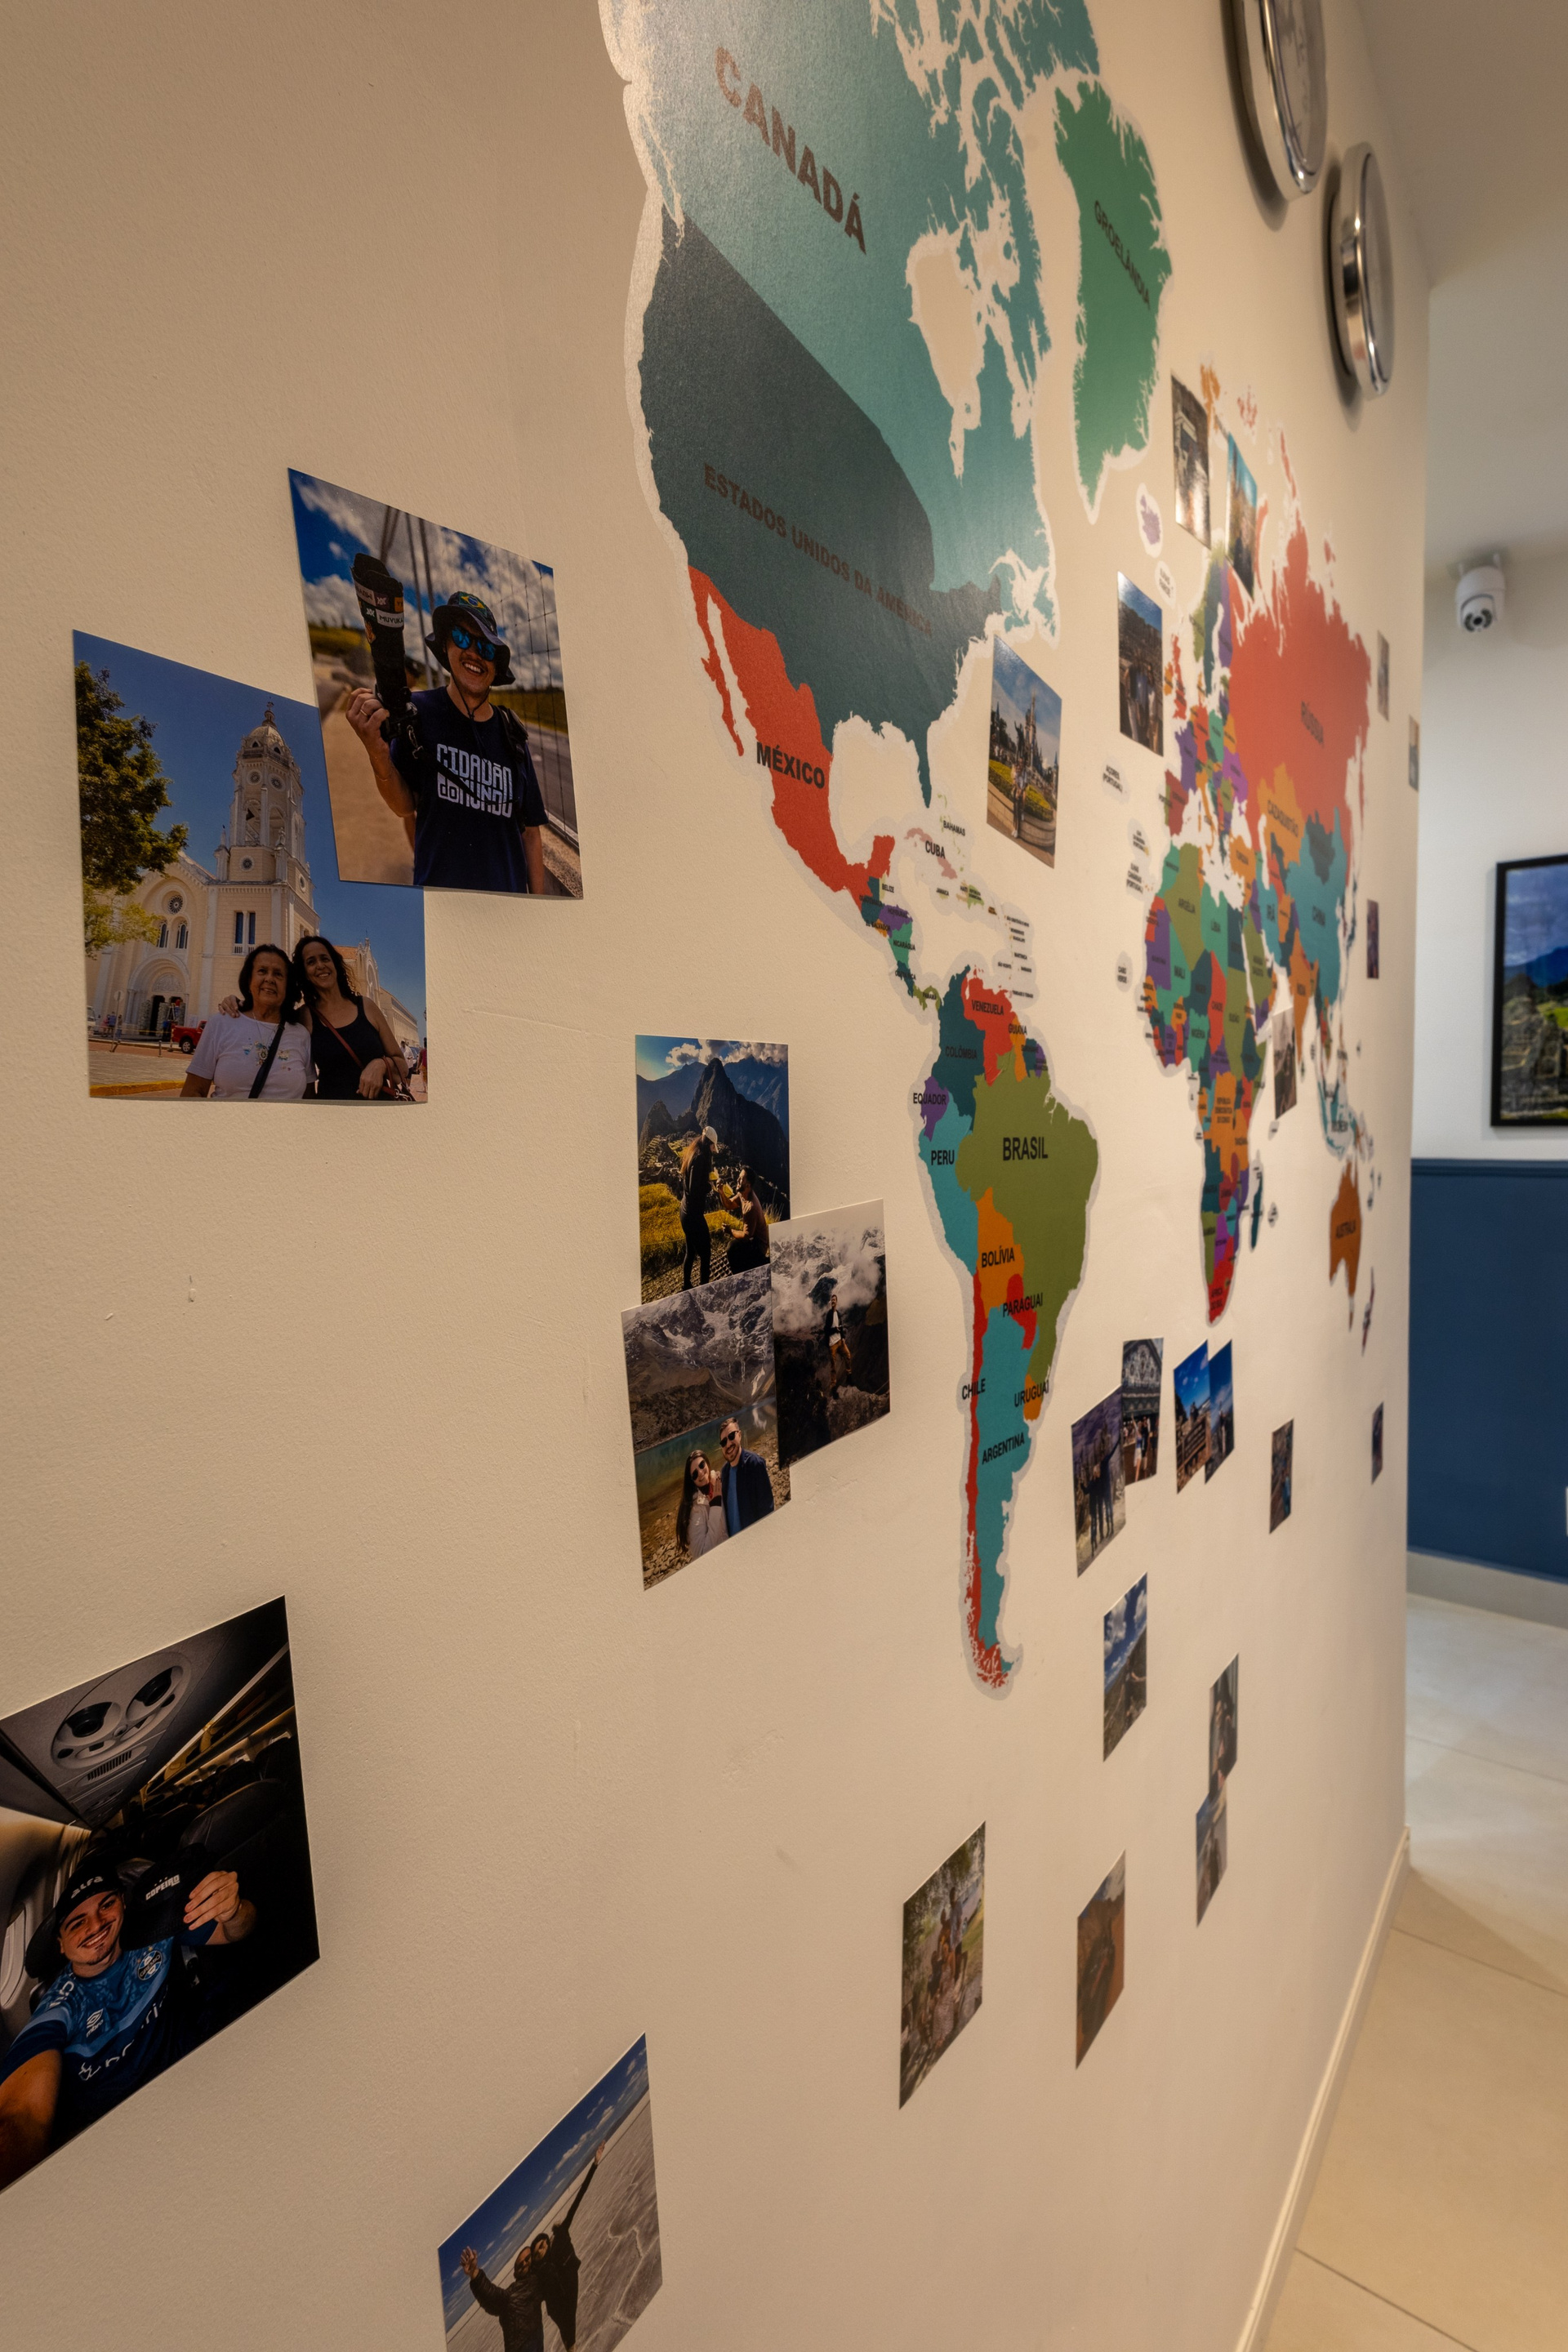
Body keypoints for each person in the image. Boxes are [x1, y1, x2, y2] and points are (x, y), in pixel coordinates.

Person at [0, 1860, 256, 2189]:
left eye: (106, 1905)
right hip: (123, 2144)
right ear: (61, 1944)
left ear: (123, 1902)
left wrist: (233, 1911)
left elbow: (237, 1931)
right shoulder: (58, 2009)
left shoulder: (154, 1931)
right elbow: (21, 2114)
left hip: (197, 2080)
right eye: (77, 1923)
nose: (96, 1925)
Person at [344, 590, 548, 895]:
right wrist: (378, 755)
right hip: (440, 901)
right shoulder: (417, 712)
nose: (474, 653)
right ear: (445, 645)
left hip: (507, 906)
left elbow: (531, 833)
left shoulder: (512, 734)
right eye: (462, 638)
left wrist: (540, 907)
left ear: (496, 665)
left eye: (486, 647)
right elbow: (404, 806)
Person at [180, 944, 312, 1100]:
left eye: (278, 974)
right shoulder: (220, 1024)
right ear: (249, 980)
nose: (270, 979)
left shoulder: (301, 1034)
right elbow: (193, 1092)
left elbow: (309, 1099)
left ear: (287, 986)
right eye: (262, 971)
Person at [291, 933, 409, 1102]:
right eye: (311, 962)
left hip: (380, 1113)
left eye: (325, 959)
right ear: (304, 973)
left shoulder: (367, 1007)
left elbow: (402, 1066)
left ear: (335, 964)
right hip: (333, 1113)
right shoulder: (305, 1016)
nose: (320, 966)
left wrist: (381, 1064)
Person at [531, 2142, 606, 2351]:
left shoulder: (561, 2234)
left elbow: (579, 2197)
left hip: (569, 2292)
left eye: (542, 2245)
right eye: (537, 2251)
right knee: (568, 2337)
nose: (541, 2249)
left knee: (569, 2338)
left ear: (547, 2240)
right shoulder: (538, 2272)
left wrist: (595, 2164)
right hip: (558, 2308)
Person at [459, 2241, 544, 2352]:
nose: (524, 2263)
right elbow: (493, 2296)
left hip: (538, 2340)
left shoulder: (539, 2279)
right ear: (516, 2273)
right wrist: (475, 2273)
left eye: (527, 2259)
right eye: (520, 2265)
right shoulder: (513, 2294)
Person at [718, 1416, 774, 1535]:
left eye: (731, 1436)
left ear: (739, 1435)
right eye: (723, 1442)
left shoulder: (755, 1464)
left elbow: (767, 1510)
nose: (728, 1444)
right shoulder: (724, 1472)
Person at [678, 1126, 718, 1290]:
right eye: (712, 1146)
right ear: (708, 1143)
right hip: (693, 1216)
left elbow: (691, 1185)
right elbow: (694, 1190)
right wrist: (709, 1187)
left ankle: (686, 1285)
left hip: (685, 1212)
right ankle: (704, 1289)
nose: (713, 1150)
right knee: (706, 1254)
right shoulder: (701, 1158)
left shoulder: (694, 1152)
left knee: (691, 1252)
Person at [675, 1449, 728, 1561]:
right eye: (695, 1474)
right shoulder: (695, 1509)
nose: (700, 1472)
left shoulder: (718, 1483)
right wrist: (715, 1507)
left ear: (707, 1462)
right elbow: (701, 1555)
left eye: (701, 1465)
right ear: (692, 1481)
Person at [722, 1167, 769, 1275]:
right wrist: (721, 1192)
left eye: (741, 1179)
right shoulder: (742, 1195)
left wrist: (730, 1231)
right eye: (739, 1177)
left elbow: (746, 1236)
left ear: (748, 1185)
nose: (737, 1180)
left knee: (732, 1248)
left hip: (759, 1247)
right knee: (735, 1247)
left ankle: (749, 1270)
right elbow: (729, 1205)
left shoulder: (751, 1207)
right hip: (752, 1239)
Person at [823, 1288, 852, 1392]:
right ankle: (833, 1386)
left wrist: (843, 1337)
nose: (833, 1301)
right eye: (832, 1300)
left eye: (834, 1300)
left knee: (848, 1355)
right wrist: (835, 1330)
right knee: (833, 1366)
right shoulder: (829, 1314)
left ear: (837, 1302)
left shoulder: (838, 1314)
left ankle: (849, 1375)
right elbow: (826, 1330)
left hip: (840, 1341)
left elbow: (841, 1326)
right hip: (832, 1344)